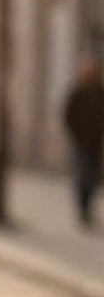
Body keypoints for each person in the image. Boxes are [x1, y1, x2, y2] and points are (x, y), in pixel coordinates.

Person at [62, 56, 104, 226]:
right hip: (80, 141)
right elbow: (68, 115)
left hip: (96, 141)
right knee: (82, 174)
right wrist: (75, 133)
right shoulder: (77, 92)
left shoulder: (100, 92)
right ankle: (82, 208)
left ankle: (88, 206)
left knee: (93, 176)